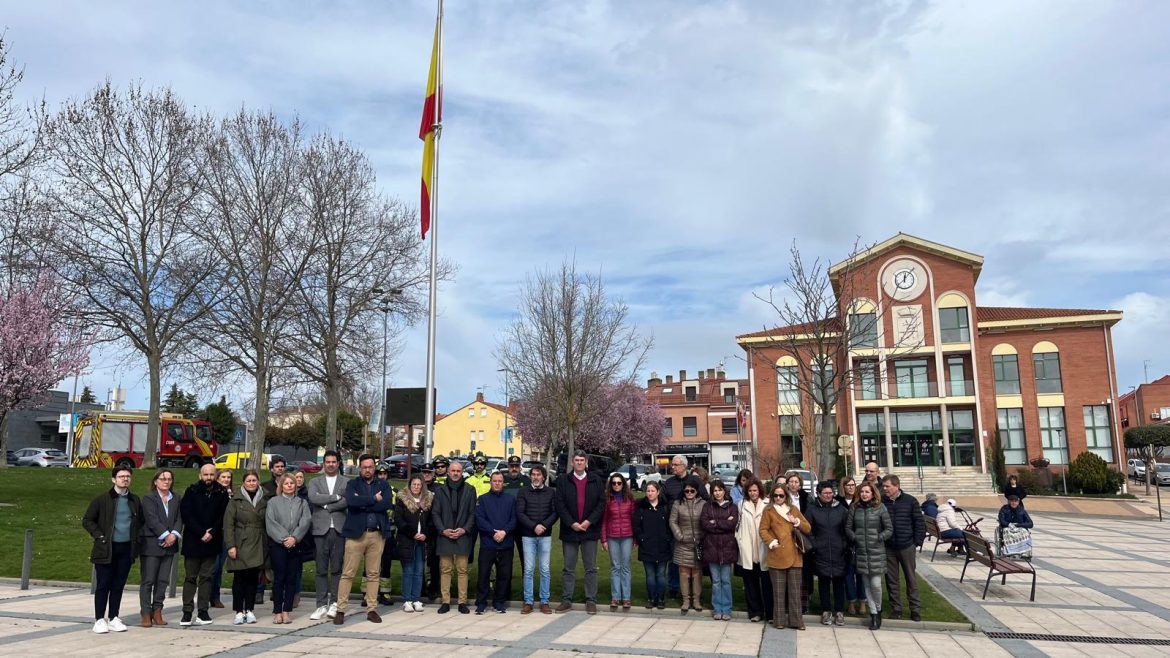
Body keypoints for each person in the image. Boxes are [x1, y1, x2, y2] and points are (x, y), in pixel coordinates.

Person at [83, 466, 142, 634]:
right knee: (104, 584)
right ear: (114, 479)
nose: (125, 479)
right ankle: (99, 619)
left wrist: (136, 541)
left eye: (128, 476)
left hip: (126, 549)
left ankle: (114, 617)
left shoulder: (135, 500)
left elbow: (140, 523)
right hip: (106, 548)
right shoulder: (102, 500)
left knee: (118, 584)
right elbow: (88, 520)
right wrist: (99, 536)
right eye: (121, 476)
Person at [334, 454, 392, 625]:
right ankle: (340, 609)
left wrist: (364, 502)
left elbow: (386, 504)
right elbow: (352, 502)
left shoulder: (383, 484)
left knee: (374, 574)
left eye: (370, 467)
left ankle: (372, 609)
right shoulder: (352, 484)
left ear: (374, 468)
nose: (368, 470)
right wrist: (373, 499)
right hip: (356, 535)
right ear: (360, 468)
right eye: (364, 467)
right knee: (348, 573)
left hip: (376, 534)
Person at [554, 450, 605, 614]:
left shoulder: (596, 480)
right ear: (572, 462)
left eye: (582, 460)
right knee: (568, 568)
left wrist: (588, 522)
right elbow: (559, 504)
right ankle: (566, 599)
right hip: (570, 531)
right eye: (576, 460)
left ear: (586, 462)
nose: (579, 463)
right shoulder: (563, 480)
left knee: (590, 568)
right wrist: (572, 523)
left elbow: (601, 504)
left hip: (589, 531)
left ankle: (591, 600)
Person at [179, 463, 229, 626]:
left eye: (211, 474)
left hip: (212, 541)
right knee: (190, 577)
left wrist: (212, 532)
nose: (209, 477)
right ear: (200, 475)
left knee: (207, 578)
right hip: (193, 540)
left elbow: (222, 516)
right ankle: (187, 612)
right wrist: (201, 532)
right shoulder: (191, 491)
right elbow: (187, 514)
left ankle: (203, 611)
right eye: (205, 474)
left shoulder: (221, 493)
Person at [759, 483, 811, 630]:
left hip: (795, 556)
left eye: (781, 495)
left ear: (786, 496)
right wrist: (771, 542)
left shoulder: (793, 509)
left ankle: (796, 622)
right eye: (775, 495)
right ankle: (779, 621)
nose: (778, 498)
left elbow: (807, 528)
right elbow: (763, 530)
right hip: (776, 556)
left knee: (795, 592)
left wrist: (797, 522)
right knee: (778, 592)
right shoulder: (768, 511)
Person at [306, 450, 348, 620]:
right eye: (327, 462)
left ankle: (335, 603)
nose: (330, 464)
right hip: (320, 530)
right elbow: (313, 498)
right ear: (324, 463)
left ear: (338, 463)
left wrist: (328, 506)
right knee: (321, 569)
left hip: (338, 529)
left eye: (333, 462)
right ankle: (321, 604)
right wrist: (335, 497)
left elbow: (346, 501)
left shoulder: (346, 482)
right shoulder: (315, 481)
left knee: (337, 568)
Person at [846, 482, 892, 630]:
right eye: (862, 492)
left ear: (873, 493)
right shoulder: (854, 508)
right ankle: (873, 614)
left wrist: (879, 537)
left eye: (867, 492)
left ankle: (878, 609)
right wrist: (855, 537)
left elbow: (889, 529)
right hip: (861, 552)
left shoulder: (880, 508)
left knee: (876, 585)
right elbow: (848, 527)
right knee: (866, 586)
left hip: (876, 551)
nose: (864, 494)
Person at [433, 459, 477, 614]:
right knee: (445, 569)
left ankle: (462, 602)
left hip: (462, 535)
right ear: (448, 472)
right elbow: (435, 513)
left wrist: (464, 530)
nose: (456, 473)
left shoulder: (470, 490)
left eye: (458, 471)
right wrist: (443, 530)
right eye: (453, 470)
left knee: (462, 570)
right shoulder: (439, 491)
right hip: (445, 535)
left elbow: (473, 514)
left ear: (461, 472)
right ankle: (445, 601)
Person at [139, 469, 182, 628]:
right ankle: (145, 612)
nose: (166, 481)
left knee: (163, 580)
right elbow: (151, 519)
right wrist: (165, 535)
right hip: (152, 544)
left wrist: (174, 535)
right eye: (163, 478)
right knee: (149, 580)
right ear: (156, 481)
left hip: (170, 545)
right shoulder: (149, 498)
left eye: (169, 479)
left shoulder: (176, 498)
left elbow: (179, 518)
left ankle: (157, 610)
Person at [662, 455, 708, 598]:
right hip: (673, 527)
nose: (672, 467)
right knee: (674, 560)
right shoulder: (668, 483)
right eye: (672, 465)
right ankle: (674, 588)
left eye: (675, 465)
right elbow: (663, 502)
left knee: (693, 563)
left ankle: (693, 592)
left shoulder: (695, 481)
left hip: (693, 528)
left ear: (684, 466)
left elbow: (705, 500)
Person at [224, 470, 266, 626]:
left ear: (258, 482)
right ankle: (238, 611)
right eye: (248, 480)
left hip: (258, 542)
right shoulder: (235, 500)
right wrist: (231, 545)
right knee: (240, 578)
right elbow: (228, 525)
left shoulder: (264, 499)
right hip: (240, 542)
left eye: (254, 480)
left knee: (253, 578)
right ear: (243, 483)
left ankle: (249, 609)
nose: (251, 483)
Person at [881, 474, 925, 622]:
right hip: (889, 547)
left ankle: (915, 609)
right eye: (884, 486)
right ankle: (896, 608)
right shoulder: (881, 502)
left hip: (907, 546)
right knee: (892, 579)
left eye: (887, 486)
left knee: (910, 578)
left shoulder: (910, 501)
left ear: (896, 486)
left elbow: (919, 523)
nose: (884, 489)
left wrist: (916, 542)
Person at [516, 464, 557, 614]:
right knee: (529, 569)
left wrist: (543, 526)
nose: (535, 477)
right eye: (533, 474)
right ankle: (528, 601)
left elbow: (555, 512)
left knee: (545, 569)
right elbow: (520, 513)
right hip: (528, 535)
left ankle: (545, 601)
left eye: (538, 475)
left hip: (545, 536)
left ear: (544, 477)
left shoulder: (551, 492)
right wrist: (534, 526)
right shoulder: (523, 492)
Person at [807, 482, 849, 626]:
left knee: (839, 582)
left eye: (830, 493)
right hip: (820, 551)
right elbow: (808, 530)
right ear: (818, 494)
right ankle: (826, 610)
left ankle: (839, 611)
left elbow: (847, 529)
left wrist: (844, 544)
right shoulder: (812, 510)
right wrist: (815, 544)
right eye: (825, 493)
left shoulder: (841, 510)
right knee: (824, 582)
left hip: (839, 551)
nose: (828, 496)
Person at [475, 472, 516, 614]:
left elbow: (514, 519)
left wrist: (504, 532)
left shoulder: (510, 500)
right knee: (484, 574)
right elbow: (480, 519)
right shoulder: (483, 499)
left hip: (506, 543)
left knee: (504, 575)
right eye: (495, 481)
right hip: (488, 543)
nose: (497, 483)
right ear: (490, 482)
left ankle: (499, 602)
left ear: (503, 483)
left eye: (500, 481)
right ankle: (481, 603)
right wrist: (493, 533)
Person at [735, 479, 773, 623]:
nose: (753, 493)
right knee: (751, 584)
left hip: (764, 548)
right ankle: (755, 612)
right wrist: (739, 540)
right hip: (748, 549)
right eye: (750, 491)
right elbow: (738, 526)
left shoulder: (767, 504)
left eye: (755, 490)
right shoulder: (742, 504)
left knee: (767, 585)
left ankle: (770, 614)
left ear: (760, 491)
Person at [394, 474, 433, 613]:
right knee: (408, 571)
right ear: (409, 486)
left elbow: (431, 521)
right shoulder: (402, 499)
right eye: (414, 484)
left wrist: (425, 534)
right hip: (407, 540)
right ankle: (407, 600)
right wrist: (412, 533)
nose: (416, 487)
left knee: (419, 571)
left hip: (422, 541)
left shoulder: (428, 500)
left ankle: (416, 599)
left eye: (419, 485)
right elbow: (398, 519)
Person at [701, 480, 739, 621]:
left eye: (720, 490)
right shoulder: (707, 506)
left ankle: (727, 609)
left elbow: (732, 524)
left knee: (726, 580)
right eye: (715, 491)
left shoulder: (732, 507)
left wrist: (715, 522)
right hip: (711, 547)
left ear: (724, 491)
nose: (717, 493)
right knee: (716, 581)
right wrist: (722, 523)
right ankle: (717, 608)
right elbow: (705, 524)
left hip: (727, 548)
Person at [633, 481, 671, 610]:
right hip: (647, 547)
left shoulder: (665, 507)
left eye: (652, 491)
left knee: (661, 574)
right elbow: (636, 526)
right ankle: (651, 598)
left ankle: (660, 598)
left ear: (658, 492)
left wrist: (667, 539)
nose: (650, 493)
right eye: (648, 491)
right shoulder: (641, 507)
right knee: (650, 575)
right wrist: (642, 539)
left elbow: (669, 526)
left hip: (662, 546)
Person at [669, 480, 705, 615]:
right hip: (682, 543)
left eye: (692, 491)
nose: (689, 493)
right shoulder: (677, 504)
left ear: (696, 491)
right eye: (686, 491)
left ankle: (696, 600)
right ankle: (685, 600)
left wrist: (701, 536)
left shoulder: (703, 504)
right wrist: (680, 536)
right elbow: (672, 521)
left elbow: (705, 521)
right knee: (684, 573)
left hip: (698, 544)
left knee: (696, 573)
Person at [601, 472, 636, 612]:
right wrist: (603, 539)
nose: (616, 485)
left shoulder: (630, 499)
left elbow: (634, 520)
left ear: (623, 484)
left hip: (627, 536)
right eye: (614, 483)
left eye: (619, 483)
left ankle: (626, 598)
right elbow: (603, 521)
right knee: (615, 567)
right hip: (612, 536)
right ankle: (615, 597)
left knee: (625, 566)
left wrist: (635, 538)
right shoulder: (608, 500)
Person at [835, 476, 864, 616]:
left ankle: (862, 601)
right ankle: (852, 601)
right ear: (843, 487)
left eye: (853, 485)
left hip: (860, 542)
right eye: (848, 485)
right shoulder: (837, 502)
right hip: (844, 543)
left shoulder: (860, 501)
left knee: (861, 574)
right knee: (848, 574)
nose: (851, 487)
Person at [785, 471, 812, 614]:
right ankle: (788, 604)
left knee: (802, 572)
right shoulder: (782, 497)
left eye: (796, 482)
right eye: (791, 482)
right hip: (786, 536)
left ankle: (803, 604)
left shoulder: (806, 498)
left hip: (802, 535)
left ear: (800, 484)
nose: (794, 484)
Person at [208, 469, 233, 609]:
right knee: (212, 567)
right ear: (217, 478)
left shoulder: (232, 495)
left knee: (219, 568)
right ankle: (208, 595)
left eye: (228, 477)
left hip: (226, 535)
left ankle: (215, 596)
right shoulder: (213, 493)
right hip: (214, 534)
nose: (226, 479)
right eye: (223, 477)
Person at [423, 458, 447, 601]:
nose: (426, 475)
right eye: (424, 472)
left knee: (434, 561)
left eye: (429, 473)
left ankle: (433, 588)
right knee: (419, 561)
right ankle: (420, 588)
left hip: (434, 529)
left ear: (433, 474)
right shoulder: (417, 486)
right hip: (420, 528)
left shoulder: (439, 488)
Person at [375, 463, 398, 606]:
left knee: (386, 563)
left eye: (384, 474)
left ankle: (385, 592)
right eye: (379, 474)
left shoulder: (395, 491)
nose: (382, 476)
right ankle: (367, 593)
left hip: (389, 532)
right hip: (374, 532)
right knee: (370, 564)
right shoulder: (371, 489)